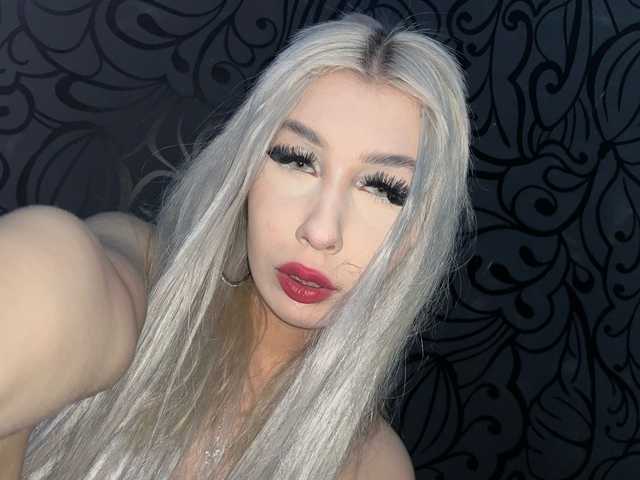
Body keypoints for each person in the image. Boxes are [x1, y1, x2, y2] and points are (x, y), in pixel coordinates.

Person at [0, 11, 474, 480]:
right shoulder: (142, 275)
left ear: (420, 231)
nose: (320, 231)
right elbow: (54, 274)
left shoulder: (373, 466)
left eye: (384, 189)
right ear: (247, 168)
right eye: (297, 160)